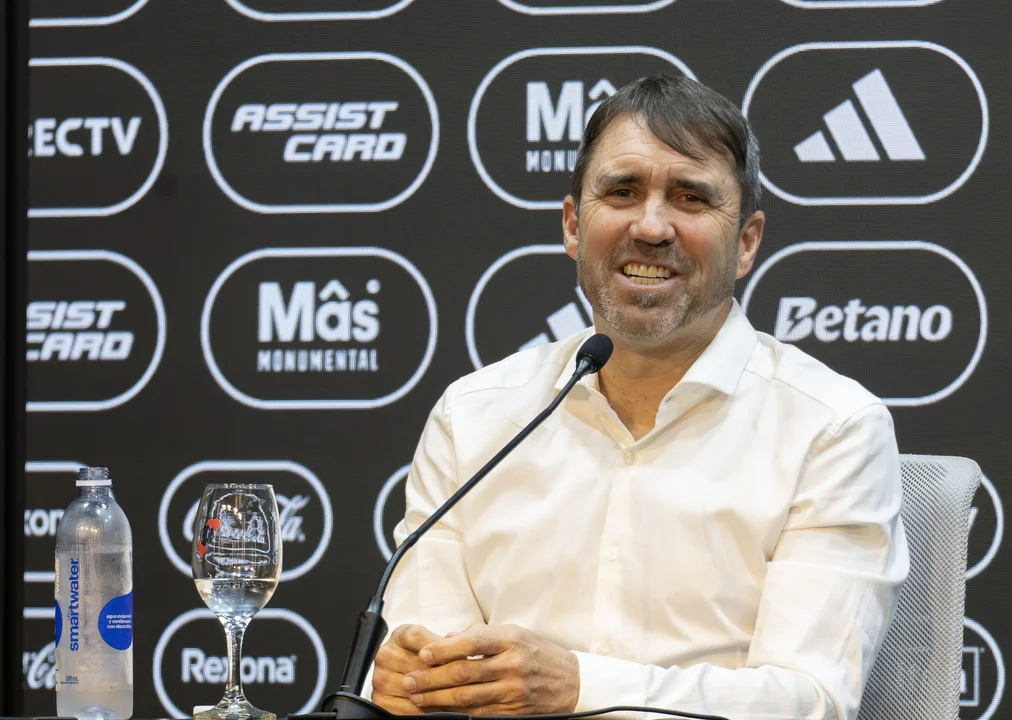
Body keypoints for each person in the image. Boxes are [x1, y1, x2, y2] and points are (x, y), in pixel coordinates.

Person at [369, 74, 909, 720]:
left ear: (746, 242)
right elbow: (430, 669)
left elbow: (809, 701)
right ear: (574, 225)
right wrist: (415, 683)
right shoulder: (472, 415)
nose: (651, 228)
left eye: (691, 198)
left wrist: (581, 687)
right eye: (622, 192)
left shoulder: (832, 428)